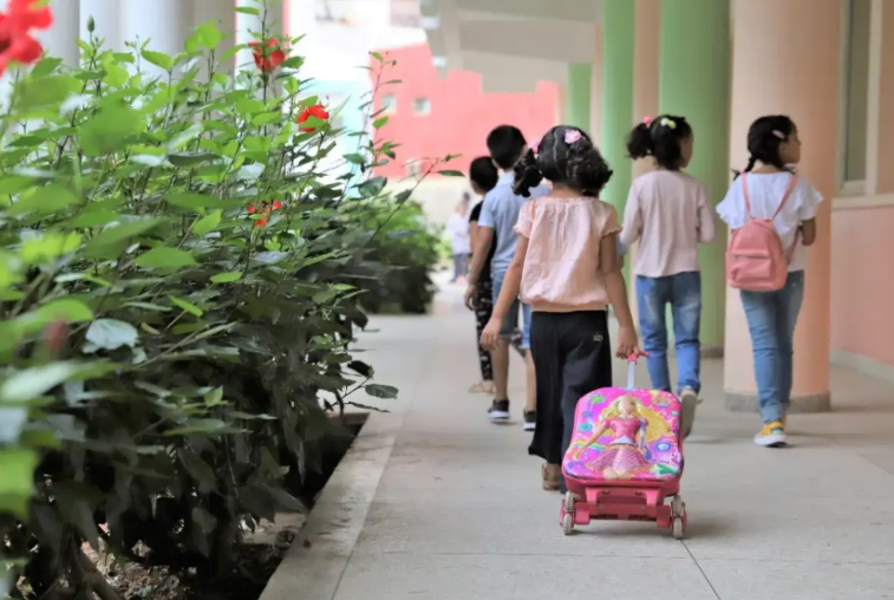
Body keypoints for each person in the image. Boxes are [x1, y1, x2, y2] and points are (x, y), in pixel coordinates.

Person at [481, 125, 640, 492]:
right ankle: (576, 475)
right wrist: (626, 325)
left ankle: (555, 467)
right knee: (583, 399)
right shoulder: (601, 212)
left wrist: (497, 317)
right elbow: (610, 272)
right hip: (587, 323)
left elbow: (516, 268)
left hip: (543, 323)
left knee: (551, 396)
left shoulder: (534, 210)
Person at [716, 115, 820, 448]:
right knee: (784, 343)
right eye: (795, 138)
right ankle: (781, 414)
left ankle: (771, 420)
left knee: (764, 344)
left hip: (751, 276)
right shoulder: (799, 186)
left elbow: (736, 234)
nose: (800, 144)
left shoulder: (741, 185)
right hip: (791, 274)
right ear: (781, 144)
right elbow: (810, 238)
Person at [621, 114, 716, 439]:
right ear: (680, 145)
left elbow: (628, 234)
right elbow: (709, 234)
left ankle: (663, 401)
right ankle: (688, 387)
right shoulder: (694, 186)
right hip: (687, 272)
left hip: (649, 274)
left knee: (654, 342)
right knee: (687, 339)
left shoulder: (641, 186)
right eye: (690, 142)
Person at [465, 125, 549, 431]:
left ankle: (500, 401)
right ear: (525, 148)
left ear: (495, 160)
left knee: (499, 335)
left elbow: (483, 243)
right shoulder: (544, 191)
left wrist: (472, 281)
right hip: (537, 272)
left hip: (503, 273)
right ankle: (532, 410)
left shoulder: (494, 196)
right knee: (532, 339)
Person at [467, 157, 500, 395]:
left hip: (487, 276)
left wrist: (472, 280)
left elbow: (476, 245)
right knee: (508, 327)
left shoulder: (480, 209)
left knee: (485, 328)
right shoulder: (507, 202)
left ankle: (489, 381)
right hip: (509, 274)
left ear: (474, 183)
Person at [446, 195, 472, 283]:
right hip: (457, 242)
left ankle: (464, 276)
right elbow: (450, 229)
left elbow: (470, 229)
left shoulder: (467, 217)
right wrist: (458, 233)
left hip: (466, 243)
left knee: (465, 261)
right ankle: (456, 276)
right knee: (457, 261)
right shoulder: (454, 218)